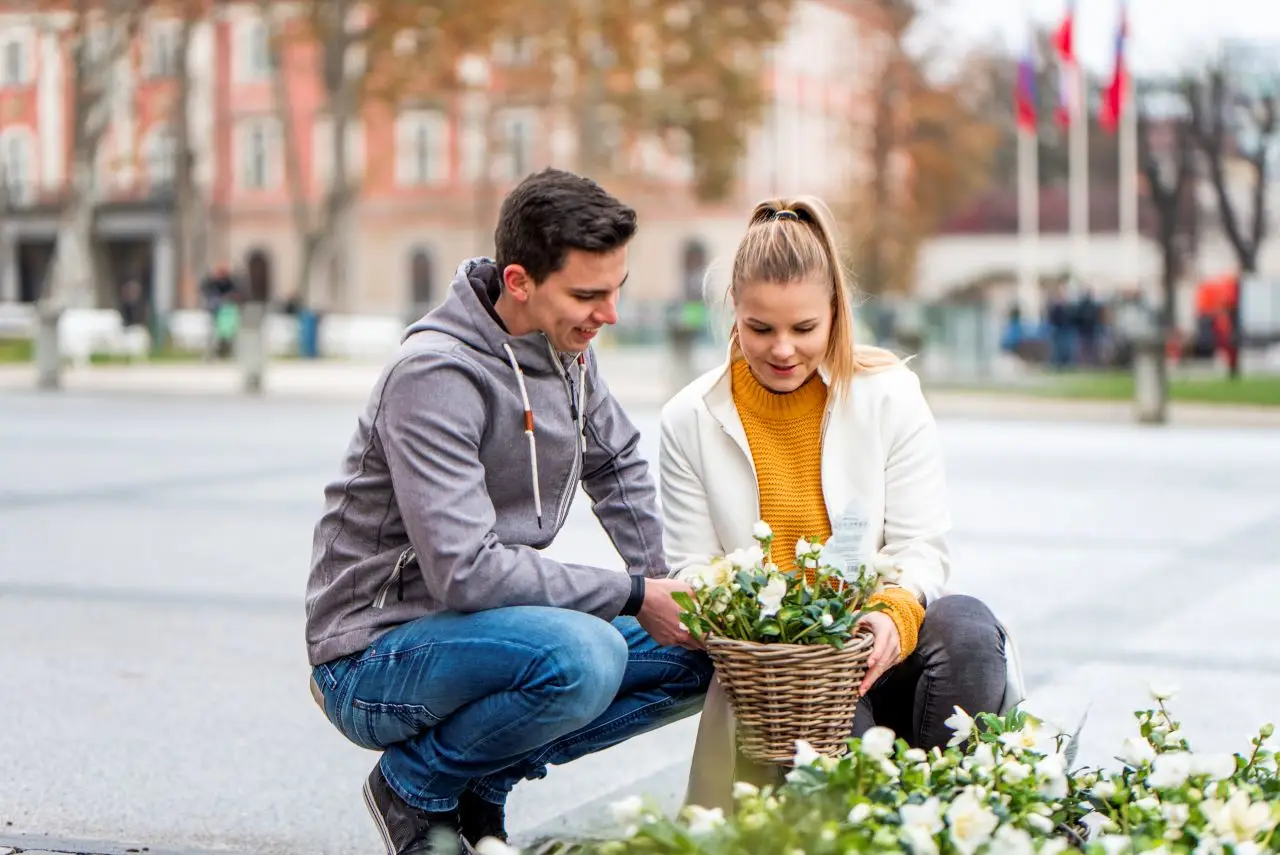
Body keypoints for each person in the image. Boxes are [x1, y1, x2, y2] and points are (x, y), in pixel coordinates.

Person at [304, 168, 712, 854]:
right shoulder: (435, 374)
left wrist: (669, 589)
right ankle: (415, 785)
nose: (608, 313)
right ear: (519, 281)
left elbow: (615, 462)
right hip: (373, 653)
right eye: (588, 294)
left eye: (617, 289)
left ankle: (483, 780)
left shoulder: (566, 347)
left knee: (709, 648)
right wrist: (636, 592)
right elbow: (467, 572)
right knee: (585, 654)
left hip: (479, 629)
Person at [658, 197, 1024, 811]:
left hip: (884, 640)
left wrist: (888, 616)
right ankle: (879, 824)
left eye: (804, 328)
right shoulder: (688, 421)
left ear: (835, 313)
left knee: (966, 624)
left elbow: (920, 549)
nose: (782, 350)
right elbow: (694, 569)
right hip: (783, 677)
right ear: (733, 313)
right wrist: (773, 634)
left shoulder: (889, 396)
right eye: (760, 328)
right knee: (829, 739)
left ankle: (944, 812)